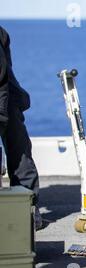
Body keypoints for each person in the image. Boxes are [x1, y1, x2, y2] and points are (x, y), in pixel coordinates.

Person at [0, 26, 42, 230]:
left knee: (19, 151)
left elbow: (3, 78)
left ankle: (28, 212)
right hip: (8, 94)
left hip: (5, 96)